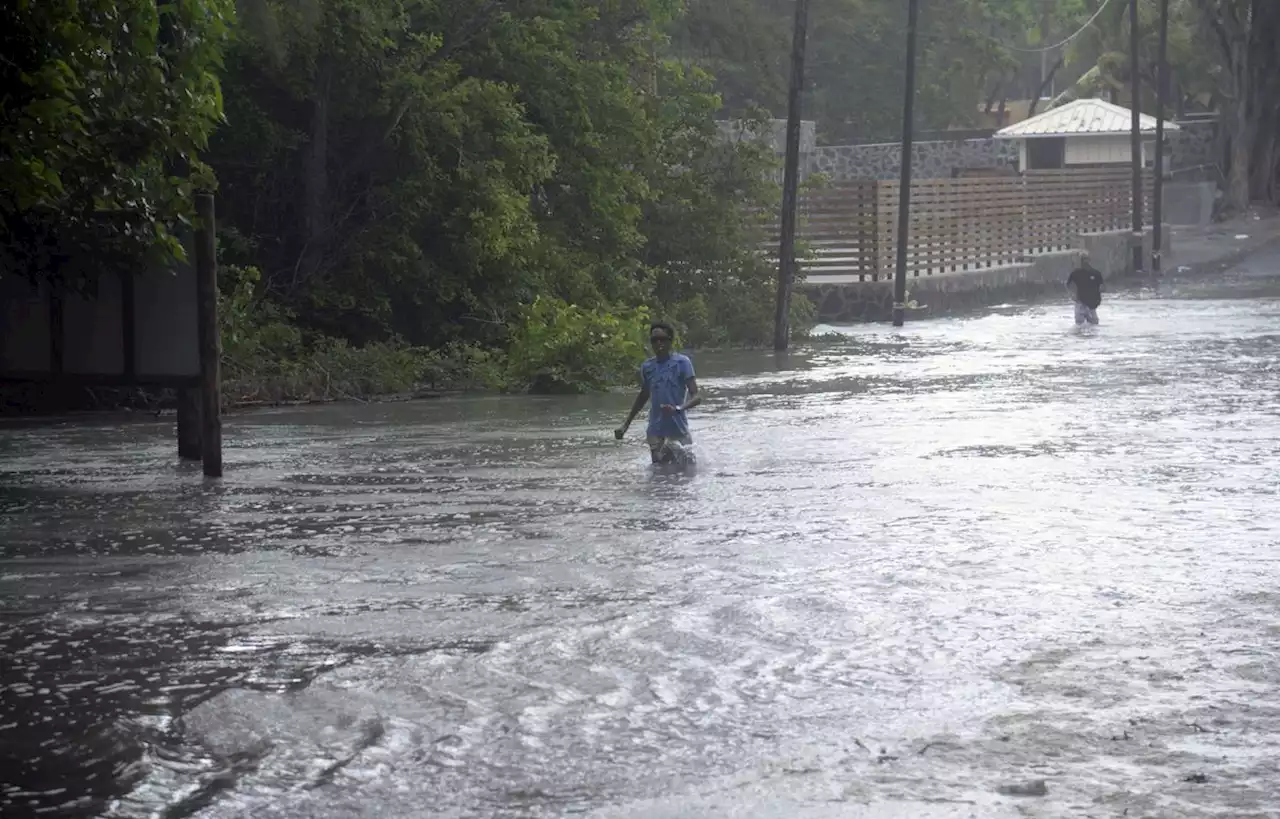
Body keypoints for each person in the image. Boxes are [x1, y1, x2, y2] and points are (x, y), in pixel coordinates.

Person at [615, 321, 701, 465]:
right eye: (654, 340)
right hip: (655, 428)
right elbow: (643, 396)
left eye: (662, 339)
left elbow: (697, 396)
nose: (658, 343)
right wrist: (626, 425)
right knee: (659, 471)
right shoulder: (647, 367)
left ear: (670, 341)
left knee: (689, 469)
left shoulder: (682, 363)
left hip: (678, 427)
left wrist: (678, 409)